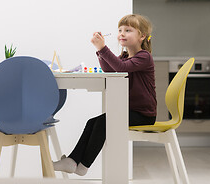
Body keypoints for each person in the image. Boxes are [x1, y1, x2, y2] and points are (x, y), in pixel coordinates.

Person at [53, 14, 157, 176]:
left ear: (142, 36)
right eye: (120, 30)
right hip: (131, 111)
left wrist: (102, 49)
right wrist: (99, 51)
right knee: (93, 122)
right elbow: (110, 69)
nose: (122, 33)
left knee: (102, 123)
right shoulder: (125, 57)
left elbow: (120, 68)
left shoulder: (144, 56)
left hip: (143, 114)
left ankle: (82, 164)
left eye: (128, 30)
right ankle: (75, 162)